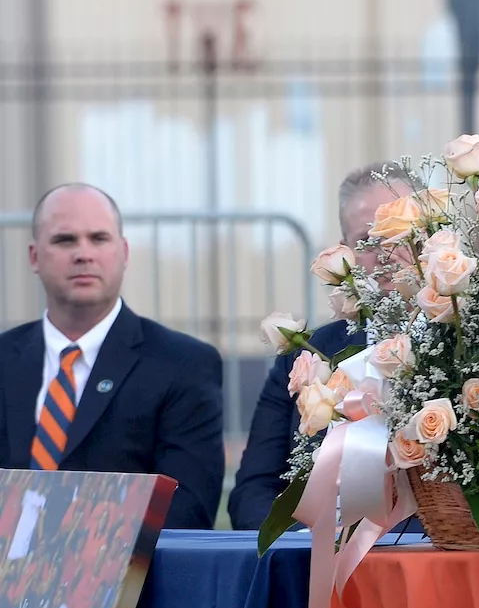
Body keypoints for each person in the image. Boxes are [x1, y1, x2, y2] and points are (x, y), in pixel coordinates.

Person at [0, 184, 224, 530]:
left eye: (98, 239)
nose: (83, 254)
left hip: (122, 578)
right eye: (65, 240)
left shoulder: (183, 366)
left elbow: (187, 510)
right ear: (33, 256)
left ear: (123, 252)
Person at [228, 163, 415, 531]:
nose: (386, 254)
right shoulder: (307, 357)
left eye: (400, 235)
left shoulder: (472, 349)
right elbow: (253, 491)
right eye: (368, 241)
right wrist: (317, 548)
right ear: (345, 254)